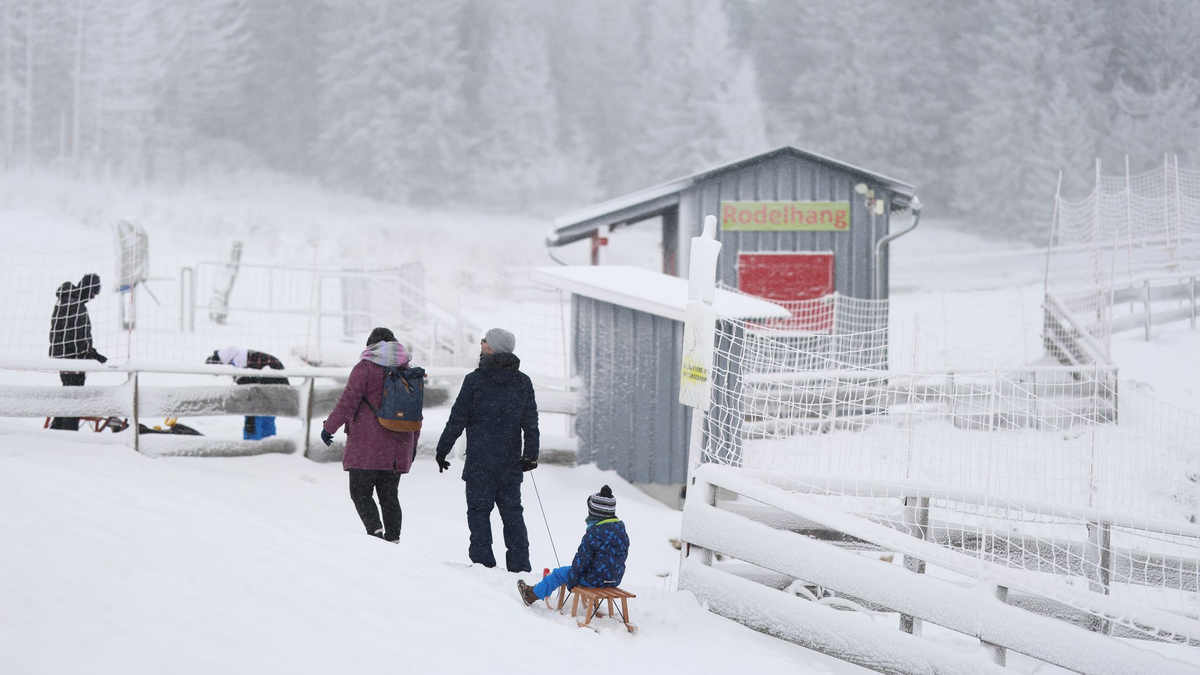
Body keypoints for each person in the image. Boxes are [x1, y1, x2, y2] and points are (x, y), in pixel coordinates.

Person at [436, 327, 539, 572]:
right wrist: (530, 455)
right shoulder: (523, 382)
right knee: (513, 514)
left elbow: (457, 418)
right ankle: (520, 566)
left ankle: (483, 565)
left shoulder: (475, 380)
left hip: (480, 461)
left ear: (492, 347)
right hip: (510, 462)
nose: (481, 344)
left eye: (484, 341)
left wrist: (442, 449)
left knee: (479, 512)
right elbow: (531, 423)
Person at [321, 327, 420, 543]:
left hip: (366, 445)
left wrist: (329, 427)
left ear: (370, 346)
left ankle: (375, 534)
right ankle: (393, 539)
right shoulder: (407, 371)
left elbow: (348, 402)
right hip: (398, 444)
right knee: (389, 496)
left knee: (360, 493)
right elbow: (415, 413)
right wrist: (413, 446)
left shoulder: (365, 368)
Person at [517, 485, 629, 606]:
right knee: (584, 569)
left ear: (594, 513)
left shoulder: (593, 535)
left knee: (559, 573)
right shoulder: (621, 532)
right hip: (614, 579)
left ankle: (531, 594)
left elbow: (581, 560)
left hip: (593, 579)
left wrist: (572, 580)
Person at [48, 274, 107, 431]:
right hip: (71, 359)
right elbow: (74, 337)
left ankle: (56, 430)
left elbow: (73, 335)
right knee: (74, 398)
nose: (94, 296)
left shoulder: (67, 300)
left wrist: (90, 351)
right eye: (94, 291)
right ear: (88, 289)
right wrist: (90, 353)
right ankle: (69, 433)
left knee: (68, 394)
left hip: (63, 356)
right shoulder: (75, 305)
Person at [205, 346, 288, 440]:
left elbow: (249, 396)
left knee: (255, 420)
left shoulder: (241, 367)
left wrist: (249, 419)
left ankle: (253, 447)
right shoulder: (243, 358)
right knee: (266, 418)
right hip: (275, 387)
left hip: (268, 389)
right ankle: (268, 446)